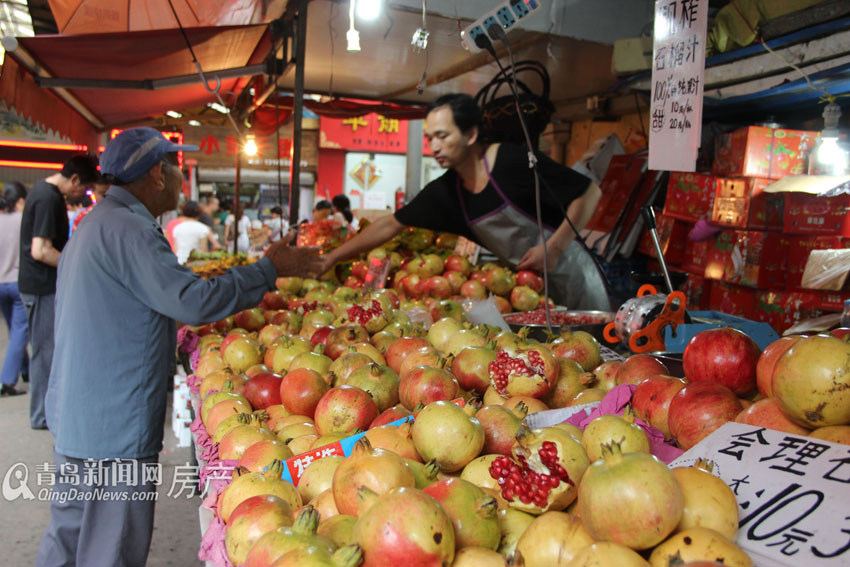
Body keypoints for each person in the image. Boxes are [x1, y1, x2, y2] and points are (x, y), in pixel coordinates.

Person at [36, 127, 322, 567]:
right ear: (156, 174)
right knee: (110, 543)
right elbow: (191, 300)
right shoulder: (130, 229)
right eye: (176, 168)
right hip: (112, 422)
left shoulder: (98, 221)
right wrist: (267, 269)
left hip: (79, 414)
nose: (180, 180)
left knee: (69, 536)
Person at [318, 93, 609, 310]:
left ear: (470, 134)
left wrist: (555, 246)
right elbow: (389, 225)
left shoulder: (510, 161)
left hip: (577, 278)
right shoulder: (447, 193)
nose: (433, 147)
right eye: (430, 138)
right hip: (530, 296)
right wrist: (331, 258)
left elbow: (589, 192)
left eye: (442, 136)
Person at [19, 154, 99, 429]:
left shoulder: (46, 193)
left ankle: (46, 412)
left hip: (41, 285)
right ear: (74, 179)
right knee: (45, 351)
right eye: (84, 188)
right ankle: (43, 416)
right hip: (41, 287)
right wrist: (75, 265)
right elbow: (40, 250)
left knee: (48, 350)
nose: (82, 194)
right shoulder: (48, 197)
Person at [0, 182, 28, 396]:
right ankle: (7, 381)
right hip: (18, 283)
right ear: (20, 200)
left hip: (0, 284)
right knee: (19, 332)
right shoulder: (23, 221)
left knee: (15, 330)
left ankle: (25, 369)